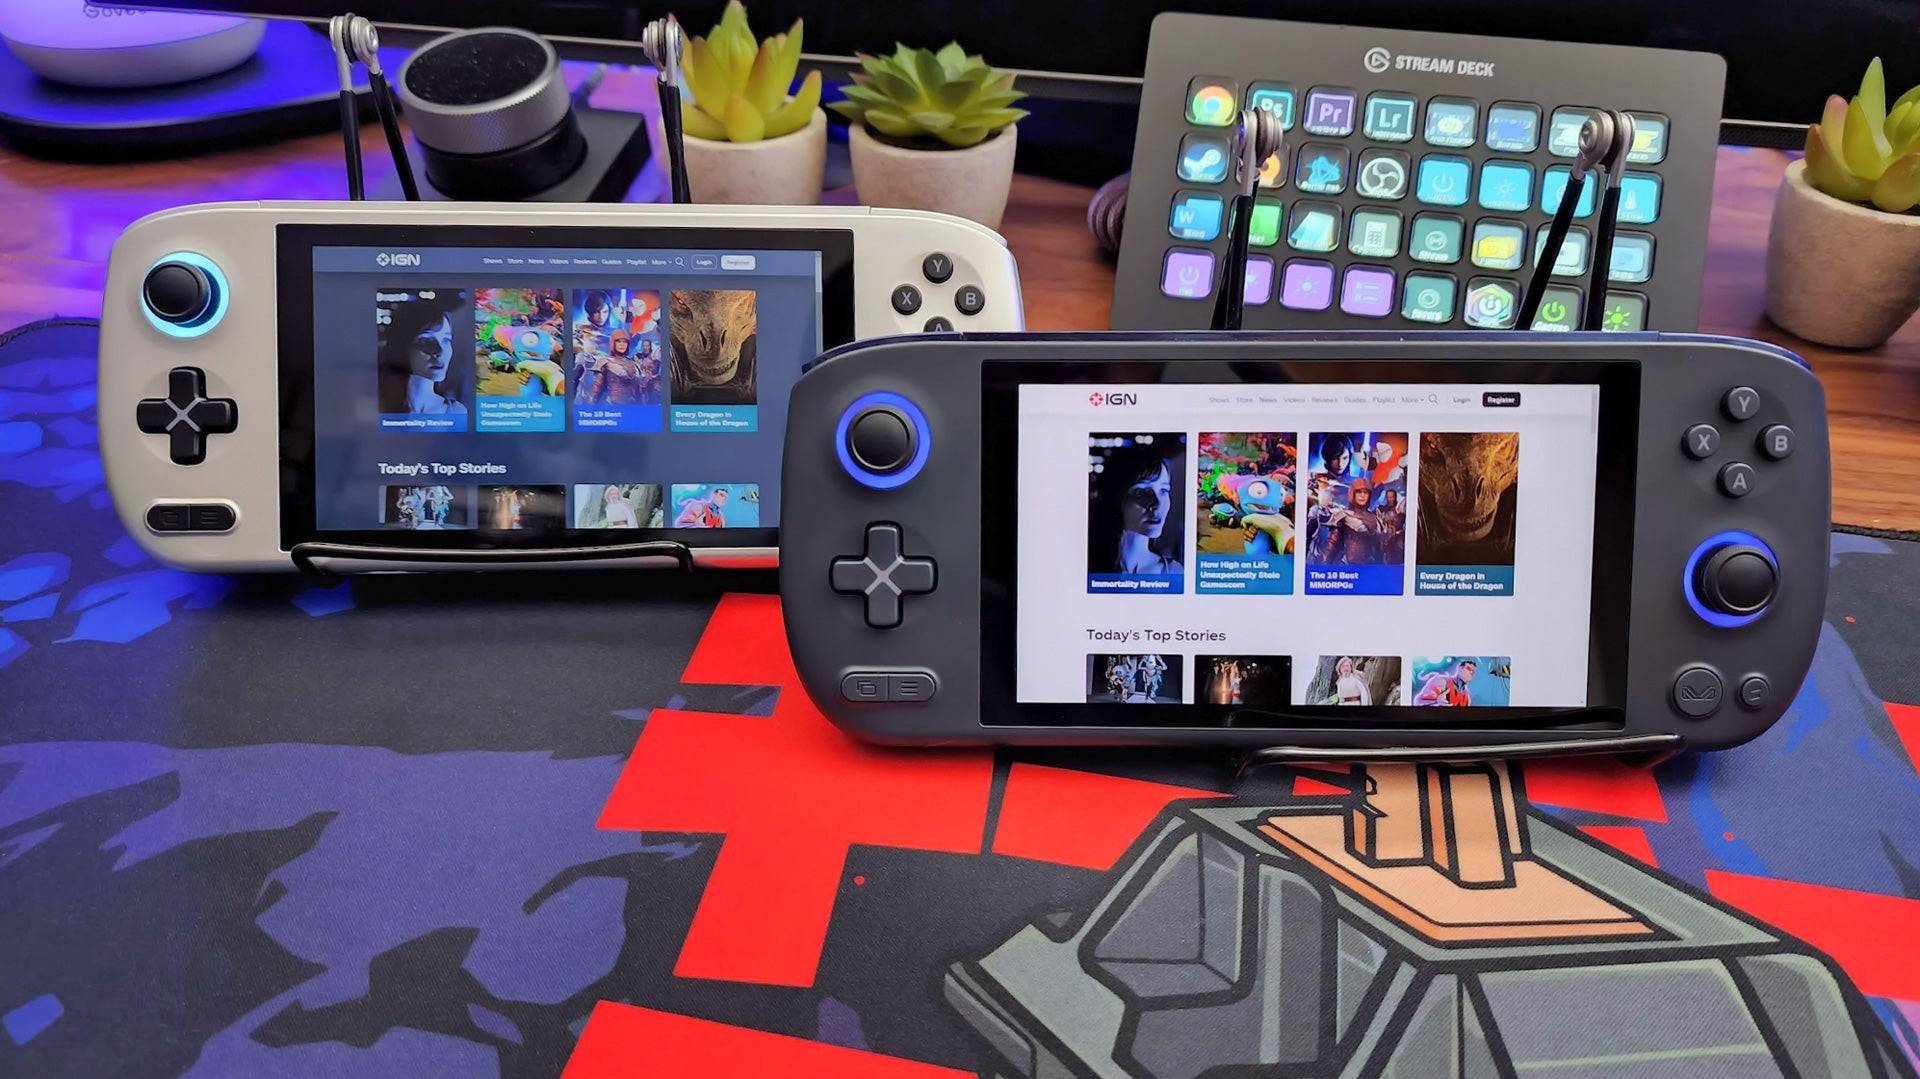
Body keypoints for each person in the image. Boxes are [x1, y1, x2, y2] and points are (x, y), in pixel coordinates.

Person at [1088, 442, 1184, 577]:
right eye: (1141, 491)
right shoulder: (1087, 567)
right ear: (1116, 497)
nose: (1157, 503)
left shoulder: (1174, 573)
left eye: (1163, 490)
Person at [377, 294, 466, 416]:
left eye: (446, 340)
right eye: (425, 340)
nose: (440, 351)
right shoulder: (374, 409)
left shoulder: (457, 413)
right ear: (401, 346)